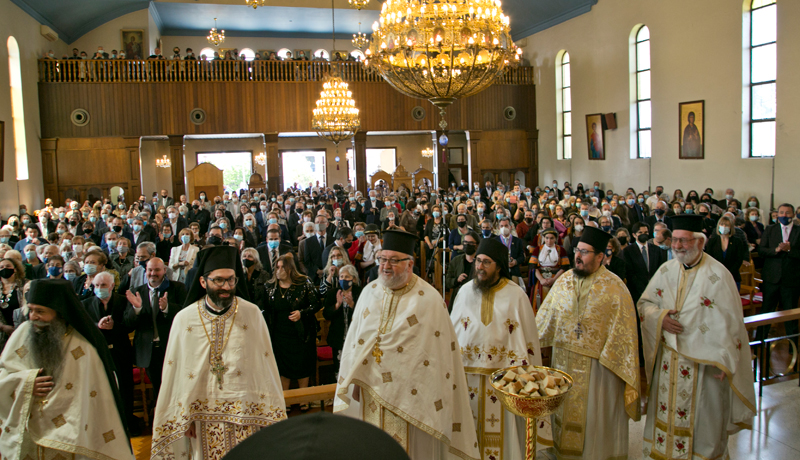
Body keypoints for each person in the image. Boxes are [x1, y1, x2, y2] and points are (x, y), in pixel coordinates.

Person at [335, 230, 480, 460]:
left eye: (394, 260)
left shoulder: (429, 299)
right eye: (383, 259)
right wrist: (354, 377)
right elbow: (355, 342)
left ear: (410, 264)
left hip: (414, 400)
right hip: (372, 395)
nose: (385, 266)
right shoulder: (369, 293)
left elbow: (438, 356)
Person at [638, 215, 756, 460]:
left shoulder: (718, 275)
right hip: (669, 360)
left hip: (705, 363)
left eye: (684, 241)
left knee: (704, 422)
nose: (678, 246)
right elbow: (644, 304)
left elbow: (731, 323)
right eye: (675, 241)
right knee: (667, 415)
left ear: (700, 242)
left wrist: (727, 359)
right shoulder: (665, 270)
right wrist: (660, 318)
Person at [151, 245, 285, 459]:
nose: (226, 286)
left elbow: (264, 367)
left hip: (245, 412)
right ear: (203, 282)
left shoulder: (251, 314)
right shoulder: (185, 319)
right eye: (219, 280)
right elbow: (176, 371)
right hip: (201, 417)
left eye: (231, 280)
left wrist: (263, 413)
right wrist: (185, 415)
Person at [536, 226, 640, 459]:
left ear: (601, 256)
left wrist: (609, 359)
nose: (578, 256)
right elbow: (543, 320)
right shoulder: (563, 282)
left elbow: (625, 334)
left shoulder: (615, 288)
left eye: (585, 252)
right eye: (577, 250)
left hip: (600, 370)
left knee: (594, 421)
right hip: (562, 363)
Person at [0, 279, 132, 459]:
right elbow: (4, 373)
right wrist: (26, 383)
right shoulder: (23, 333)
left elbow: (93, 396)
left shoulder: (82, 347)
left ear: (60, 311)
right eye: (30, 310)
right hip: (28, 431)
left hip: (70, 437)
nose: (33, 317)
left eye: (40, 311)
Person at [450, 238, 541, 460]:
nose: (479, 267)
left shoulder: (516, 295)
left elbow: (528, 341)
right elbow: (452, 334)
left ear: (499, 266)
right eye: (478, 261)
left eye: (486, 262)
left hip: (505, 380)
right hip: (468, 377)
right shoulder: (464, 292)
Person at [123, 257, 187, 399]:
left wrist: (167, 308)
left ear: (164, 270)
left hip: (172, 347)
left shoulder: (177, 288)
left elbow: (186, 316)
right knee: (158, 389)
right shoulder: (136, 292)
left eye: (157, 270)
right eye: (149, 270)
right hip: (148, 350)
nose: (153, 273)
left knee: (176, 388)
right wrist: (137, 309)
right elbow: (127, 324)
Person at [82, 271, 136, 432]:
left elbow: (130, 324)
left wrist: (115, 327)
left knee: (125, 388)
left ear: (112, 286)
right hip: (98, 354)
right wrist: (97, 326)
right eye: (97, 285)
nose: (100, 288)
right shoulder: (85, 304)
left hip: (121, 351)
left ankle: (127, 423)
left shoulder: (123, 301)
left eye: (103, 285)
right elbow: (83, 327)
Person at [262, 254, 321, 402]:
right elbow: (266, 309)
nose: (279, 270)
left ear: (290, 269)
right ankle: (285, 400)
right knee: (283, 367)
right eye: (277, 267)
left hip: (301, 333)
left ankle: (304, 399)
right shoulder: (270, 287)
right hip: (280, 334)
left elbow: (316, 304)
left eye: (282, 267)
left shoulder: (304, 283)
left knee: (302, 365)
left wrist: (302, 313)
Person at [756, 203, 800, 343]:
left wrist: (789, 250)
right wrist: (775, 250)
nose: (784, 215)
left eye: (787, 213)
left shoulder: (799, 230)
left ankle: (793, 346)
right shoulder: (770, 229)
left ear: (792, 215)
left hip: (791, 279)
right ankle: (760, 342)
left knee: (790, 313)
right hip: (772, 278)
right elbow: (762, 250)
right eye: (781, 212)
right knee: (766, 311)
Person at [323, 264, 361, 374]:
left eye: (347, 277)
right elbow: (326, 314)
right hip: (338, 337)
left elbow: (365, 314)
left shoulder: (360, 292)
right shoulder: (333, 293)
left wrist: (352, 305)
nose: (343, 280)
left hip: (355, 337)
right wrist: (337, 305)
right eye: (341, 277)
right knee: (339, 368)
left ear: (353, 279)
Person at [528, 229, 570, 312]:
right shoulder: (537, 249)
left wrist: (554, 280)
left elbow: (564, 267)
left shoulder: (561, 250)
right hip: (541, 278)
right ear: (543, 238)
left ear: (556, 239)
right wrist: (541, 279)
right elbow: (532, 266)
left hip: (556, 278)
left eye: (551, 238)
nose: (549, 241)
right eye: (547, 238)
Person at [706, 215, 748, 289]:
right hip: (715, 276)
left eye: (727, 225)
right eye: (722, 224)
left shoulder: (737, 241)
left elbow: (739, 259)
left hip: (732, 276)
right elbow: (709, 258)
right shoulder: (712, 241)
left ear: (731, 227)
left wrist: (728, 273)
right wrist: (719, 272)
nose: (724, 226)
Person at [445, 231, 478, 308]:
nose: (467, 245)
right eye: (465, 242)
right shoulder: (456, 260)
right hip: (459, 298)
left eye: (470, 243)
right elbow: (447, 282)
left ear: (476, 245)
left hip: (476, 299)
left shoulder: (480, 262)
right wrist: (456, 280)